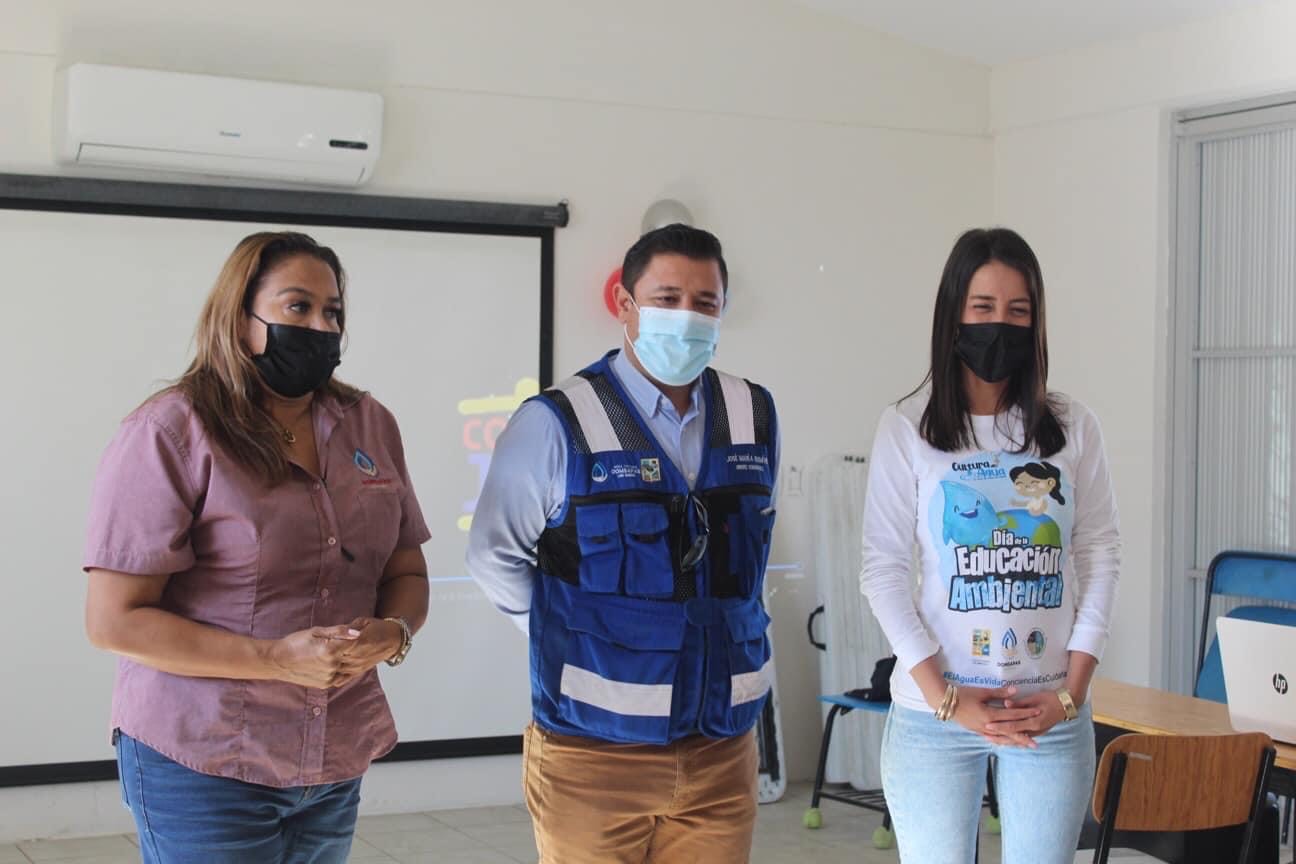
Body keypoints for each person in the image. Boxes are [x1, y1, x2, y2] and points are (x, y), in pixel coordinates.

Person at [83, 231, 431, 863]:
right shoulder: (170, 431)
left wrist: (394, 633)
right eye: (298, 306)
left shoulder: (370, 423)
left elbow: (407, 570)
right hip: (203, 763)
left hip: (333, 758)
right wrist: (274, 659)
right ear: (239, 318)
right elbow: (114, 621)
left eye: (333, 312)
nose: (321, 327)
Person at [467, 224, 779, 863]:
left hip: (721, 749)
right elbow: (492, 555)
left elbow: (748, 557)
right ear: (625, 304)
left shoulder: (754, 413)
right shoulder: (557, 421)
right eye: (667, 299)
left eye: (705, 302)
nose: (686, 316)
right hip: (593, 756)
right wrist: (568, 632)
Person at [860, 227, 1121, 864]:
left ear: (1037, 322)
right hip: (934, 715)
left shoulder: (1073, 427)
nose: (1000, 324)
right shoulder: (907, 428)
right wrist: (945, 698)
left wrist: (1070, 694)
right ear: (953, 315)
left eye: (1018, 310)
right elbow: (883, 572)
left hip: (1047, 711)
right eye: (983, 307)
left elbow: (1100, 556)